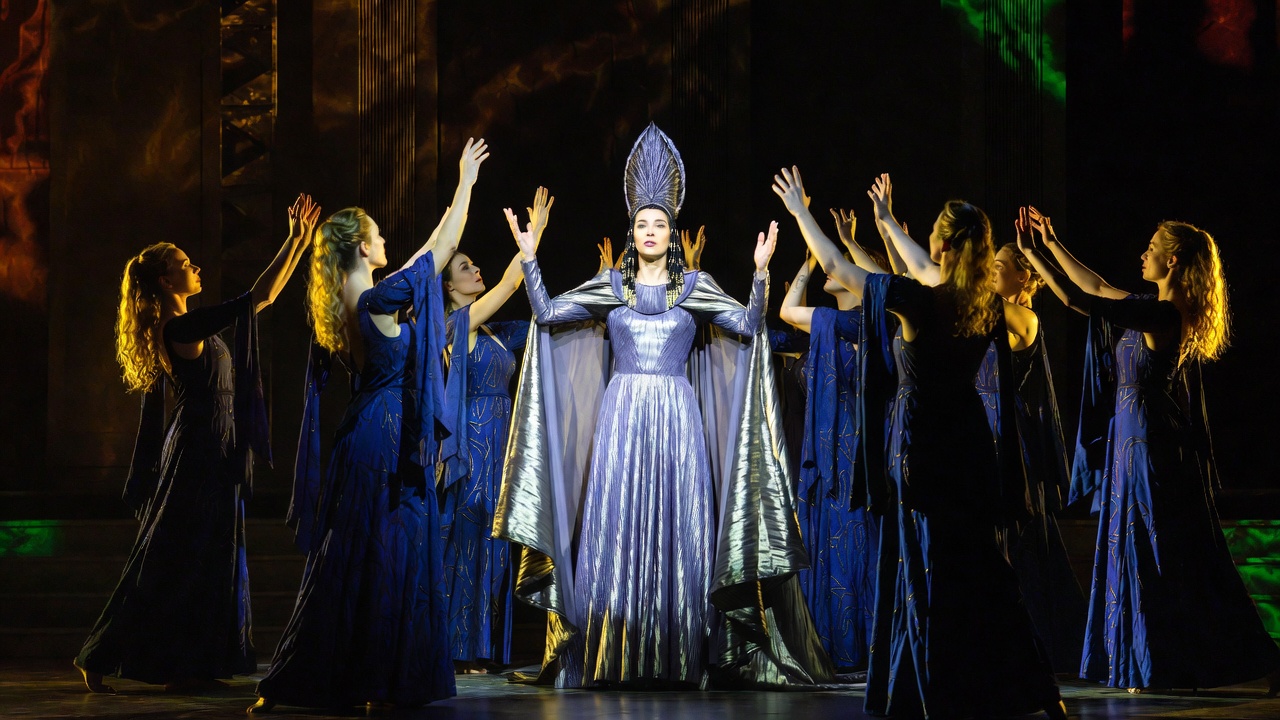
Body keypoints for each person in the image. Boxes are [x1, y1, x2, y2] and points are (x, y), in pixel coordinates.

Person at [493, 123, 833, 689]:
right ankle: (613, 654)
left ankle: (680, 655)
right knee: (618, 529)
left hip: (677, 420)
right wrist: (529, 258)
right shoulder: (611, 286)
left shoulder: (694, 286)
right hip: (622, 418)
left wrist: (760, 273)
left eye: (660, 223)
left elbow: (749, 326)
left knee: (681, 532)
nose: (650, 231)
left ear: (672, 234)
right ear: (631, 232)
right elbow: (549, 314)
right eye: (642, 223)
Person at [774, 168, 1065, 718]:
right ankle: (1032, 691)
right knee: (981, 568)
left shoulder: (920, 302)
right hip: (969, 448)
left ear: (946, 244)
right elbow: (926, 266)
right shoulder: (980, 306)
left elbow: (838, 267)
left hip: (923, 449)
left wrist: (800, 213)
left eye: (933, 233)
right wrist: (884, 222)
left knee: (927, 569)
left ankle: (935, 692)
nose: (927, 243)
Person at [250, 139, 488, 712]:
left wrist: (453, 205)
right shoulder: (378, 298)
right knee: (387, 553)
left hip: (367, 433)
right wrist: (465, 184)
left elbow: (431, 250)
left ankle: (357, 675)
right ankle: (374, 678)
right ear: (362, 244)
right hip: (386, 437)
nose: (386, 240)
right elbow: (441, 250)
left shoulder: (356, 300)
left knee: (361, 555)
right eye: (379, 233)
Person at [1015, 207, 1280, 694]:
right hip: (1132, 441)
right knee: (1151, 550)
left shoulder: (1161, 313)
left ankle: (1168, 661)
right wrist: (1046, 245)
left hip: (1152, 446)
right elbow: (1095, 287)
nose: (1143, 254)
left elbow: (1081, 300)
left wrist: (1037, 253)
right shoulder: (1149, 305)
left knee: (1159, 551)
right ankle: (1154, 660)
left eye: (1153, 248)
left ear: (1173, 261)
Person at [75, 195, 318, 694]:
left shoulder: (186, 322)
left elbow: (260, 301)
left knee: (196, 554)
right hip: (198, 450)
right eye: (185, 265)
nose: (195, 267)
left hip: (212, 447)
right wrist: (294, 241)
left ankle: (187, 662)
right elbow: (258, 298)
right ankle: (154, 661)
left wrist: (300, 243)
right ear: (167, 281)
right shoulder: (181, 326)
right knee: (181, 556)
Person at [437, 187, 551, 671]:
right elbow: (508, 285)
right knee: (467, 543)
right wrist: (533, 238)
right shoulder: (450, 326)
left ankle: (481, 648)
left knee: (494, 545)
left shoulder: (491, 332)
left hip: (501, 446)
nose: (474, 270)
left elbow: (541, 315)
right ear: (446, 286)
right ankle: (456, 648)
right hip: (470, 444)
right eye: (464, 267)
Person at [974, 227, 1087, 673]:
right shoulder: (987, 316)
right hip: (985, 441)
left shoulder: (1025, 319)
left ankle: (1034, 648)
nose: (988, 274)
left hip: (1013, 450)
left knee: (1021, 553)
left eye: (997, 268)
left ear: (1024, 279)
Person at [777, 212, 886, 672]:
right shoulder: (826, 325)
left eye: (841, 269)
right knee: (830, 539)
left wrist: (850, 247)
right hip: (829, 452)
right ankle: (834, 642)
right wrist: (805, 263)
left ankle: (864, 645)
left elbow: (883, 280)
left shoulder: (877, 323)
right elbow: (785, 311)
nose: (831, 270)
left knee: (860, 540)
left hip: (865, 447)